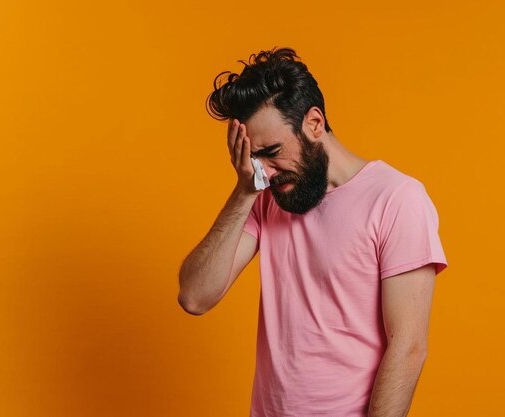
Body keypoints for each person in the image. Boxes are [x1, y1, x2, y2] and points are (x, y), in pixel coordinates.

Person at [178, 47, 449, 417]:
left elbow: (408, 346)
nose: (266, 171)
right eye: (254, 159)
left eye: (272, 151)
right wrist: (244, 191)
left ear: (314, 123)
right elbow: (195, 296)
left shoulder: (396, 199)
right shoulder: (266, 197)